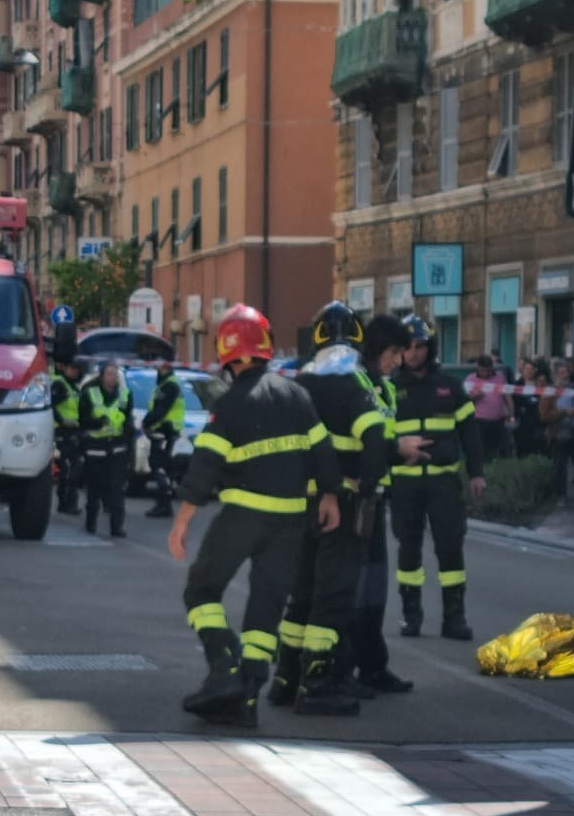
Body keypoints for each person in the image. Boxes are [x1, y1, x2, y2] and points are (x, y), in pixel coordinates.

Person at [168, 305, 342, 729]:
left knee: (201, 590)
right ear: (263, 349)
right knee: (265, 610)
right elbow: (323, 452)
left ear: (228, 355)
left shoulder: (229, 405)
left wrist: (182, 522)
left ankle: (224, 668)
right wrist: (330, 497)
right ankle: (245, 699)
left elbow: (204, 466)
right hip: (291, 521)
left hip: (243, 517)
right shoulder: (297, 395)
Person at [267, 304, 390, 716]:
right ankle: (317, 684)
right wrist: (368, 486)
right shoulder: (351, 386)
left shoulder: (301, 383)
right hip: (342, 502)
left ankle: (285, 678)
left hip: (299, 502)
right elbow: (374, 436)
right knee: (333, 596)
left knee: (301, 592)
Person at [390, 314, 487, 642]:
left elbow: (470, 433)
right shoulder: (390, 390)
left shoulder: (450, 386)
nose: (413, 353)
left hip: (444, 483)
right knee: (408, 551)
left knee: (450, 551)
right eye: (407, 347)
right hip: (404, 484)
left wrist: (477, 474)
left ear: (429, 348)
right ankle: (411, 616)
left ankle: (454, 619)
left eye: (419, 346)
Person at [349, 314, 425, 697]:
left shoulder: (384, 390)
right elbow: (366, 441)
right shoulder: (357, 383)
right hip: (351, 499)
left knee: (375, 588)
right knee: (353, 588)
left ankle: (373, 667)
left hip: (375, 499)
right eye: (395, 351)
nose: (399, 360)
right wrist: (398, 449)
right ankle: (345, 669)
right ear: (376, 349)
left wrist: (398, 453)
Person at [77, 361, 131, 538]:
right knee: (94, 489)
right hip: (96, 449)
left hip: (117, 449)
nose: (112, 378)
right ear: (101, 376)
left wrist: (128, 446)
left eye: (115, 374)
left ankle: (117, 527)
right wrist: (98, 423)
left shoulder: (125, 395)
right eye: (109, 374)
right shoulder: (89, 394)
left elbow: (128, 422)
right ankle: (90, 523)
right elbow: (83, 420)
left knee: (117, 490)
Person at [141, 360, 185, 519]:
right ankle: (163, 503)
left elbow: (160, 409)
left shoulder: (169, 386)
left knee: (159, 466)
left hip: (164, 431)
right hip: (166, 431)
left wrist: (146, 423)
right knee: (163, 467)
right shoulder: (168, 384)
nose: (157, 369)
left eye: (159, 366)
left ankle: (163, 504)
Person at [540, 357, 574, 503]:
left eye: (566, 372)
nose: (564, 375)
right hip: (558, 433)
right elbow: (544, 415)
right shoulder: (549, 392)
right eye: (561, 373)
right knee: (559, 467)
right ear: (555, 375)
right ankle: (560, 496)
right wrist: (565, 412)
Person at [50, 356, 84, 516]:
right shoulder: (60, 385)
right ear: (66, 368)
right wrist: (62, 420)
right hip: (62, 434)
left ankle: (68, 503)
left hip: (74, 433)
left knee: (73, 469)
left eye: (77, 369)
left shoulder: (74, 387)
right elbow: (50, 405)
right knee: (68, 469)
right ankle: (66, 503)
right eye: (72, 368)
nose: (75, 371)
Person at [470, 354, 512, 460]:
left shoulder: (500, 377)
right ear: (478, 367)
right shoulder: (471, 379)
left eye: (488, 370)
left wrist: (511, 414)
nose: (486, 373)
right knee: (482, 450)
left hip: (499, 420)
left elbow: (508, 397)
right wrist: (474, 396)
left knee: (501, 449)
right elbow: (464, 401)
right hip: (479, 421)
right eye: (483, 370)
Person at [512, 357, 548, 458]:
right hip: (522, 423)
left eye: (532, 369)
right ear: (523, 371)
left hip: (538, 422)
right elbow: (514, 402)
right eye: (527, 369)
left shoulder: (540, 384)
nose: (530, 372)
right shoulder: (517, 385)